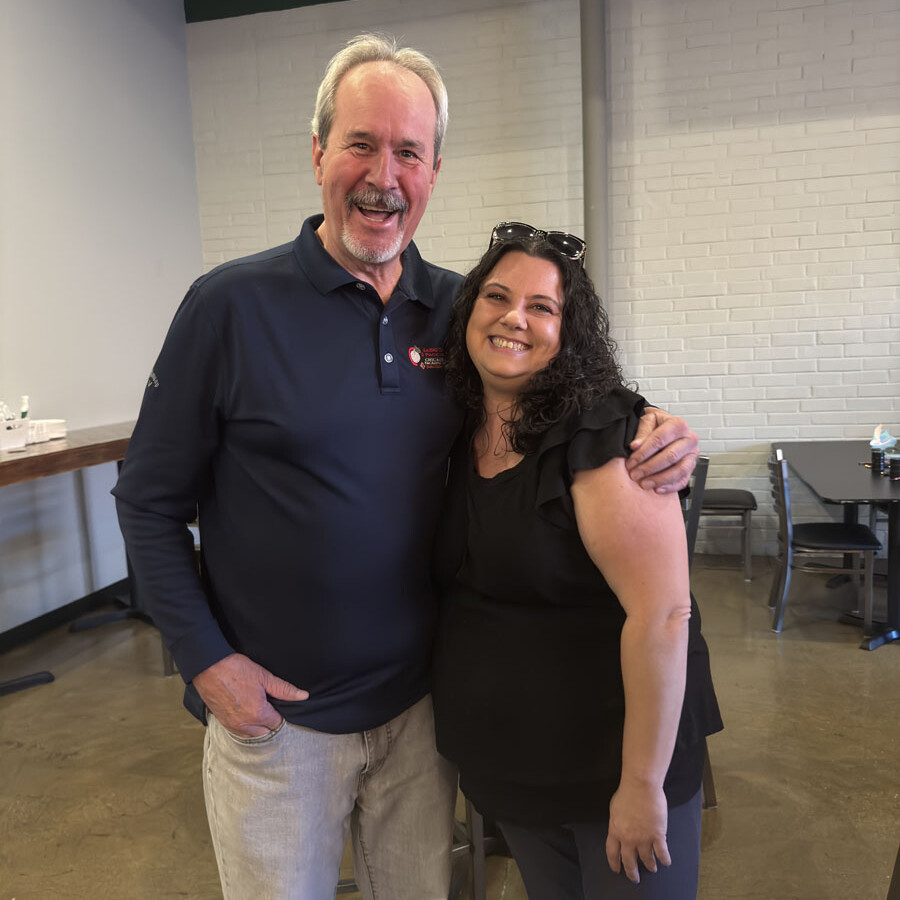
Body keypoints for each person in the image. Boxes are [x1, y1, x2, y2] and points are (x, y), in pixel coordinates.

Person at [112, 35, 700, 900]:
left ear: (433, 171)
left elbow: (566, 408)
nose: (383, 174)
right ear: (318, 153)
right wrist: (207, 662)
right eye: (360, 143)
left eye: (409, 151)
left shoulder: (461, 313)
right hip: (278, 722)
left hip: (423, 716)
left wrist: (662, 434)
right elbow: (148, 502)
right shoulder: (228, 307)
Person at [432, 223, 723, 900]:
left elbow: (663, 613)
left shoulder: (604, 432)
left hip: (614, 768)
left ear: (570, 331)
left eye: (542, 307)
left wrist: (641, 786)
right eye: (497, 297)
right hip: (517, 766)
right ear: (468, 309)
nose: (514, 318)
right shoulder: (452, 427)